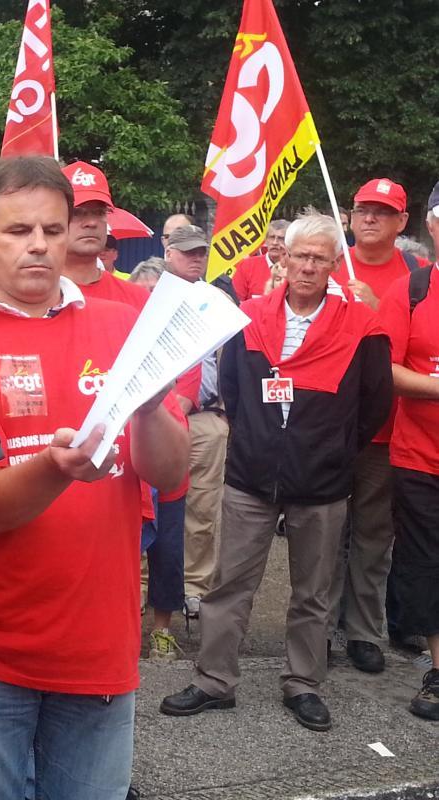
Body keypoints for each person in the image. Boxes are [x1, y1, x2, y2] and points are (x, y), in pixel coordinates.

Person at [0, 156, 189, 800]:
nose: (38, 245)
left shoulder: (125, 326)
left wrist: (149, 408)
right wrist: (56, 469)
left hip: (99, 645)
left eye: (53, 229)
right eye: (17, 231)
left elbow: (171, 474)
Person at [160, 212, 392, 732]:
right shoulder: (250, 315)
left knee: (313, 591)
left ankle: (303, 683)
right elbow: (236, 396)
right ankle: (214, 680)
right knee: (229, 583)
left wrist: (332, 449)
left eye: (319, 258)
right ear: (282, 256)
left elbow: (375, 404)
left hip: (323, 480)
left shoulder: (362, 326)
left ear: (335, 263)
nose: (307, 266)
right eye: (299, 255)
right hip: (251, 474)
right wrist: (261, 442)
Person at [329, 178, 420, 672]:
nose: (370, 219)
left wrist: (374, 313)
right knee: (321, 532)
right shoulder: (325, 261)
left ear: (402, 222)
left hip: (386, 432)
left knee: (371, 535)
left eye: (383, 212)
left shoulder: (419, 277)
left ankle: (364, 630)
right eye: (363, 209)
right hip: (327, 427)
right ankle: (317, 627)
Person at [379, 194, 439, 720]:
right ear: (432, 224)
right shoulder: (412, 291)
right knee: (427, 565)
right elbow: (388, 371)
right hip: (421, 457)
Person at [164, 224, 231, 619]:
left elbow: (236, 360)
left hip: (206, 418)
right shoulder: (148, 295)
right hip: (156, 417)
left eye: (200, 252)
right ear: (168, 251)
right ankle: (142, 585)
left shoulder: (218, 299)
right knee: (149, 505)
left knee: (202, 510)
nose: (195, 258)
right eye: (187, 251)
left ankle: (194, 587)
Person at [61, 161, 151, 313]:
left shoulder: (138, 298)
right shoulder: (31, 298)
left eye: (99, 212)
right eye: (77, 213)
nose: (91, 222)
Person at [230, 220, 289, 301]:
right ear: (266, 240)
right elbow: (235, 303)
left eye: (281, 238)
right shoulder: (247, 266)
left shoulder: (295, 268)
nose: (275, 243)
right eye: (272, 237)